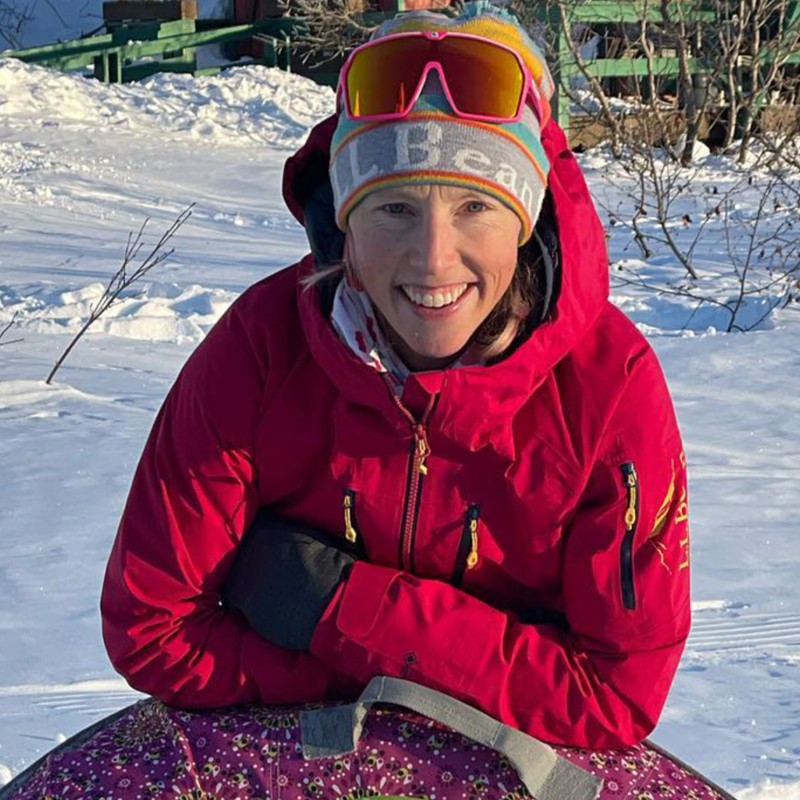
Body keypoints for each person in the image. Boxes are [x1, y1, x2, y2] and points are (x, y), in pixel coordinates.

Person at [101, 0, 691, 755]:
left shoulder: (609, 388)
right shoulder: (260, 349)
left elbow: (616, 694)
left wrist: (334, 604)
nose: (433, 259)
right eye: (395, 208)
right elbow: (150, 626)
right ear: (344, 218)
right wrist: (392, 688)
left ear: (529, 216)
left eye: (477, 205)